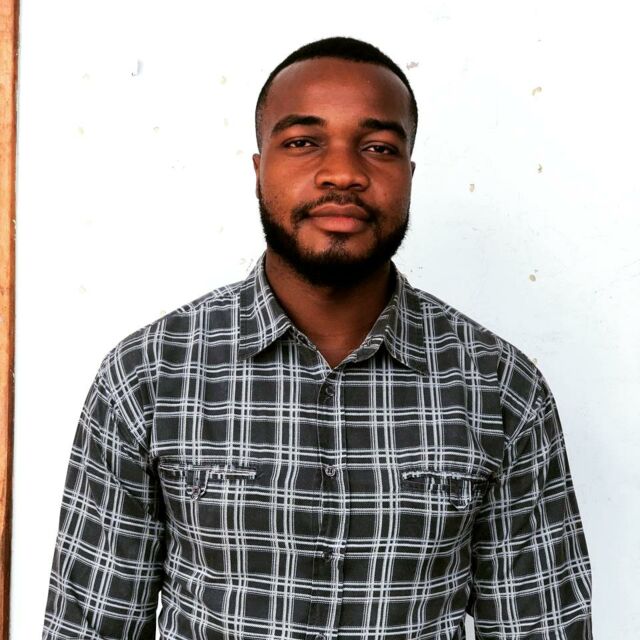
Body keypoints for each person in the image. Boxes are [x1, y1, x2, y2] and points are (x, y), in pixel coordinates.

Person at [42, 37, 592, 640]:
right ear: (259, 170)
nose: (343, 173)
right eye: (303, 142)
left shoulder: (501, 388)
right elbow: (89, 626)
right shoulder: (147, 376)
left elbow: (540, 624)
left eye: (378, 147)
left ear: (409, 175)